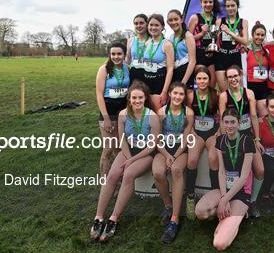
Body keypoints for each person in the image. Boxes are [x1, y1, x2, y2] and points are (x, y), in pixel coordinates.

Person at [90, 81, 160, 242]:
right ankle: (99, 217)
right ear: (129, 98)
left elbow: (152, 146)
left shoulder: (153, 117)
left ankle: (113, 219)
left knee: (128, 174)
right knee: (113, 175)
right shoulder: (123, 115)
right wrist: (128, 157)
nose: (137, 101)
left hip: (145, 154)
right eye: (134, 98)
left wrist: (132, 160)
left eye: (140, 98)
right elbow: (122, 140)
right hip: (128, 150)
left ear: (145, 98)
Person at [194, 108, 254, 251]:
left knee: (220, 244)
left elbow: (244, 176)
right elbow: (221, 171)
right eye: (226, 122)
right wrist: (223, 197)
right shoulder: (220, 141)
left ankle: (235, 216)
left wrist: (224, 200)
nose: (229, 126)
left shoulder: (247, 141)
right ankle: (226, 212)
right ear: (221, 123)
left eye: (233, 122)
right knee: (200, 212)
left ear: (239, 123)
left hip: (241, 192)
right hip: (224, 188)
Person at [219, 65, 264, 217]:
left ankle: (253, 201)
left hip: (247, 136)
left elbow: (253, 117)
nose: (233, 79)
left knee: (260, 169)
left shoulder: (249, 93)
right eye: (230, 77)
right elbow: (222, 120)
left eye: (235, 76)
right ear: (226, 79)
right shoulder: (224, 96)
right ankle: (221, 194)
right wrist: (222, 138)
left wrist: (257, 139)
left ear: (241, 75)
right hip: (231, 135)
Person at [153, 82, 194, 243]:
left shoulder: (188, 112)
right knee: (157, 172)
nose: (177, 97)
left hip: (180, 150)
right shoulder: (161, 112)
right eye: (175, 93)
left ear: (184, 97)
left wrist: (174, 156)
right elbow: (156, 137)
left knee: (177, 170)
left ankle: (175, 219)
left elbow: (185, 139)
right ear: (169, 94)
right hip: (163, 149)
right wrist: (166, 154)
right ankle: (168, 206)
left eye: (181, 94)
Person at [185, 67, 220, 219]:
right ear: (195, 80)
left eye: (205, 78)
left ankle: (214, 196)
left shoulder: (215, 95)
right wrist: (191, 132)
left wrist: (218, 133)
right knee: (191, 161)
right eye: (199, 79)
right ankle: (190, 197)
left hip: (212, 133)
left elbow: (220, 114)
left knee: (213, 158)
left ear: (209, 79)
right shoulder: (191, 95)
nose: (202, 81)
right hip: (197, 133)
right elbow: (187, 117)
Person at [95, 42, 130, 176]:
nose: (116, 57)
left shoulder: (127, 68)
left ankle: (117, 178)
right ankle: (104, 180)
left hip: (122, 111)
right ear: (109, 55)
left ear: (124, 55)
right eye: (113, 54)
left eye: (119, 54)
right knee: (109, 148)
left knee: (119, 147)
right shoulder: (104, 69)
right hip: (108, 111)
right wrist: (106, 118)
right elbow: (99, 95)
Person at [188, 0, 221, 88]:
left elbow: (217, 38)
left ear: (213, 3)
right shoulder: (195, 18)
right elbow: (187, 40)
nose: (208, 4)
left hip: (212, 54)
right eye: (205, 2)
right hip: (199, 54)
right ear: (201, 4)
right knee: (201, 85)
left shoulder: (216, 20)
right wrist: (201, 33)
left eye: (210, 2)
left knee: (211, 86)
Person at [215, 0, 249, 91]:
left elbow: (245, 41)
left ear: (237, 6)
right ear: (225, 8)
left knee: (239, 92)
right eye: (228, 6)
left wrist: (229, 32)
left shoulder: (243, 22)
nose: (230, 8)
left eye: (233, 5)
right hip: (221, 58)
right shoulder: (219, 21)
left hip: (236, 58)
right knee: (224, 92)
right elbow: (216, 41)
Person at [142, 14, 175, 111]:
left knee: (157, 112)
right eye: (151, 25)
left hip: (159, 83)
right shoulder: (147, 43)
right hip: (146, 81)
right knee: (146, 112)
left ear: (162, 27)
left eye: (156, 25)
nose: (153, 27)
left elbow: (170, 70)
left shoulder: (167, 44)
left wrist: (164, 92)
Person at [167, 9, 196, 89]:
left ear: (182, 19)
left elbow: (192, 61)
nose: (173, 22)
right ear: (167, 23)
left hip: (185, 73)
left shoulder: (188, 36)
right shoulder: (170, 38)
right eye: (170, 20)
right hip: (174, 72)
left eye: (176, 19)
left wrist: (184, 82)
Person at [245, 23, 269, 117]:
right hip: (250, 86)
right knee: (252, 116)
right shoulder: (246, 50)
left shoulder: (266, 51)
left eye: (262, 35)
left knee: (263, 117)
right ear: (252, 35)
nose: (260, 37)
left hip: (263, 87)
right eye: (257, 34)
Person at [125, 14, 149, 84]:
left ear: (147, 24)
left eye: (141, 23)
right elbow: (128, 59)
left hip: (149, 74)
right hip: (134, 74)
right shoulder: (130, 40)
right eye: (136, 23)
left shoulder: (152, 40)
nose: (138, 26)